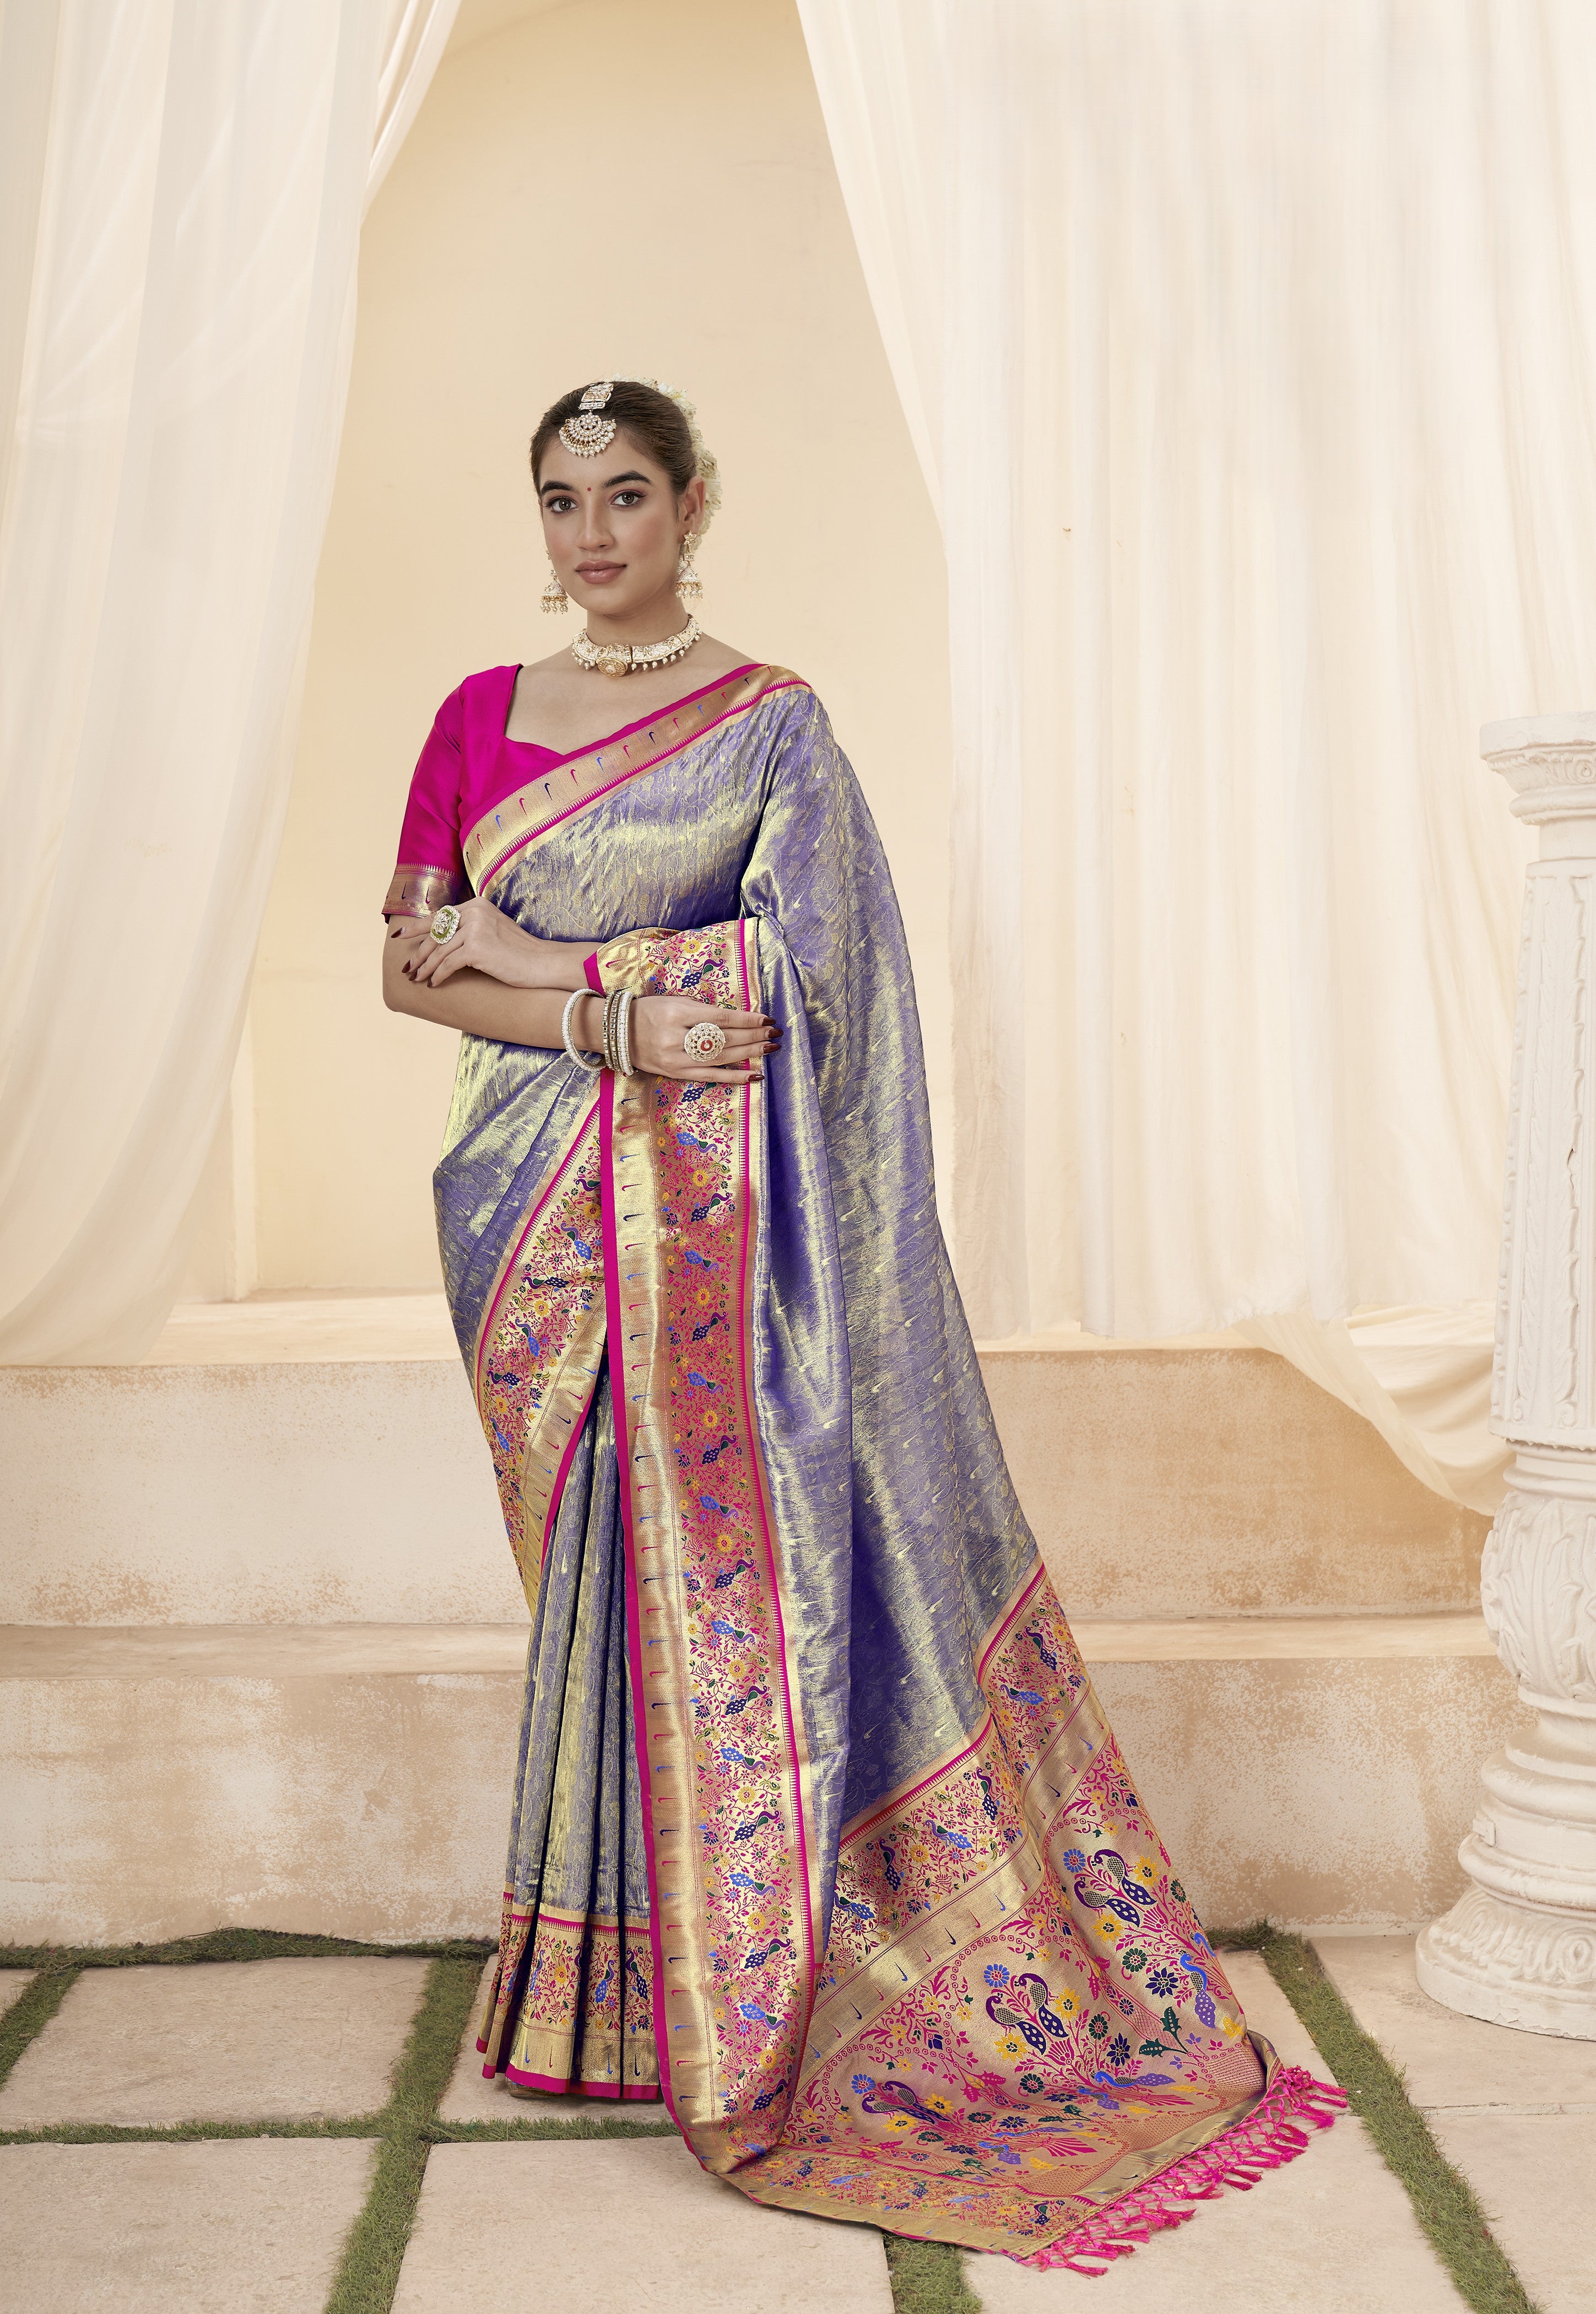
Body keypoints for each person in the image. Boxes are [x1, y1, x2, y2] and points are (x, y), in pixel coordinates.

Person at [381, 376, 1340, 2272]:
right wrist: (606, 1018)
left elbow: (803, 991)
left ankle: (732, 1985)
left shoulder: (772, 724)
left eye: (627, 495)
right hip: (532, 1216)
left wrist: (554, 961)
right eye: (563, 500)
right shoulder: (475, 715)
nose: (592, 534)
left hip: (713, 1240)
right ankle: (597, 1992)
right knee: (595, 1588)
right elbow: (411, 968)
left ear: (694, 504)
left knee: (710, 1586)